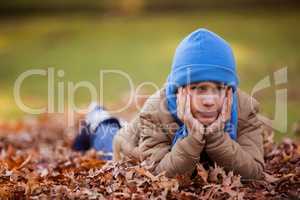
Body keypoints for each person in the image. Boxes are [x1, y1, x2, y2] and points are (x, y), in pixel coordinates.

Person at [74, 28, 267, 180]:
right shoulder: (156, 111)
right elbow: (159, 174)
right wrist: (193, 137)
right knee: (107, 135)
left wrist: (216, 137)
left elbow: (254, 173)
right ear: (180, 90)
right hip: (128, 145)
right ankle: (97, 117)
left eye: (218, 88)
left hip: (153, 138)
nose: (209, 100)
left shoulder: (245, 109)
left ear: (229, 90)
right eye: (199, 88)